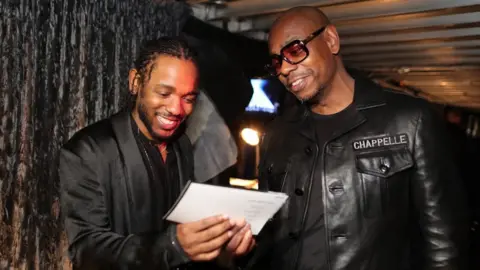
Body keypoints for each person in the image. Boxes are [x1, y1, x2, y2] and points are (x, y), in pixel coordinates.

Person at [248, 6, 469, 270]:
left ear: (331, 40)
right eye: (276, 62)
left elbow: (444, 243)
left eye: (295, 50)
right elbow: (267, 238)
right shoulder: (276, 135)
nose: (284, 68)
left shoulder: (410, 120)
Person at [59, 37, 254, 270]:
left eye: (188, 98)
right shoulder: (87, 151)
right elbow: (87, 251)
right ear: (135, 82)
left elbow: (185, 229)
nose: (176, 109)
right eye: (164, 93)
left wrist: (222, 244)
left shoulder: (182, 144)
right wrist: (172, 246)